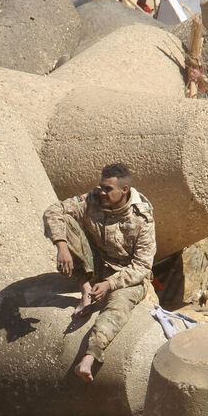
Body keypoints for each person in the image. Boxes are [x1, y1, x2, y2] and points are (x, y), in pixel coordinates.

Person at [43, 162, 156, 381]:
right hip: (96, 263)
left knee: (118, 307)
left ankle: (91, 356)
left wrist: (109, 285)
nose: (102, 192)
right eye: (101, 186)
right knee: (65, 220)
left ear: (124, 190)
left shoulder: (142, 218)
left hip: (125, 275)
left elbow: (142, 266)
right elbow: (54, 211)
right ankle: (85, 289)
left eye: (108, 189)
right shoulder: (93, 198)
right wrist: (62, 246)